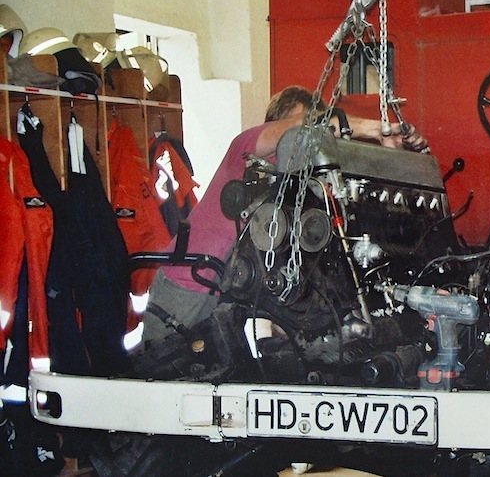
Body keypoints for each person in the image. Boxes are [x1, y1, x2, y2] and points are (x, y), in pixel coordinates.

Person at [142, 86, 428, 342]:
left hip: (227, 292)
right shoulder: (246, 147)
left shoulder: (300, 181)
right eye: (303, 122)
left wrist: (392, 152)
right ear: (275, 125)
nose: (311, 138)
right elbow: (305, 127)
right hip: (185, 285)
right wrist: (377, 129)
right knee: (163, 369)